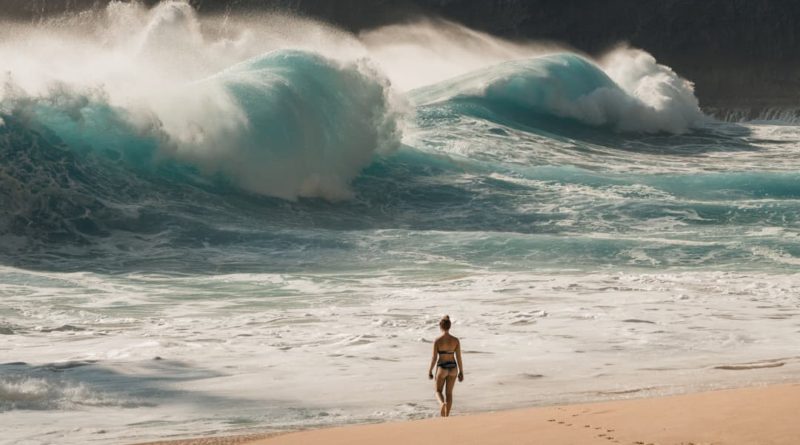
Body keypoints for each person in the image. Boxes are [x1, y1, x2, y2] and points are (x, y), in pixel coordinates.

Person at [427, 315, 463, 417]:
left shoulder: (437, 340)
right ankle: (446, 416)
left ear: (440, 326)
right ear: (450, 326)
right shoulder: (456, 340)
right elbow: (459, 357)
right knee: (449, 393)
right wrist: (461, 371)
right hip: (453, 367)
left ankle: (442, 404)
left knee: (438, 391)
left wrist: (430, 371)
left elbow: (434, 358)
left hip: (442, 367)